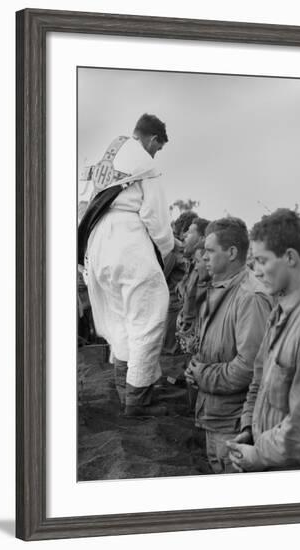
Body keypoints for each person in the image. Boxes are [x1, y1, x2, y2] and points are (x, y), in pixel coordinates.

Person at [227, 208, 300, 472]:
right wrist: (249, 427)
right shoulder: (278, 314)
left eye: (262, 260)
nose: (255, 271)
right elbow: (259, 381)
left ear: (290, 257)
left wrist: (257, 453)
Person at [84, 113, 174, 416]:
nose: (155, 153)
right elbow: (156, 219)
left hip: (95, 247)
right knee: (148, 319)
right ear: (151, 139)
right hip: (128, 243)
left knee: (121, 321)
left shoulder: (99, 161)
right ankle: (136, 402)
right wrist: (166, 252)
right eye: (157, 147)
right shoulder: (145, 164)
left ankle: (123, 392)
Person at [185, 217, 272, 473]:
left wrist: (201, 375)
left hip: (234, 426)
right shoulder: (219, 289)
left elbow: (249, 368)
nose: (204, 257)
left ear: (232, 253)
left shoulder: (250, 298)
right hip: (215, 417)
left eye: (210, 251)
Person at [161, 211, 199, 355]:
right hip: (175, 304)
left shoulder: (176, 248)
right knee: (171, 349)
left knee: (172, 349)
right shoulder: (173, 248)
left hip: (177, 304)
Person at [176, 217, 210, 354]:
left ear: (202, 238)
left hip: (198, 335)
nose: (184, 235)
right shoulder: (192, 262)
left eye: (190, 232)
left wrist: (186, 323)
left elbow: (195, 299)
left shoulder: (203, 262)